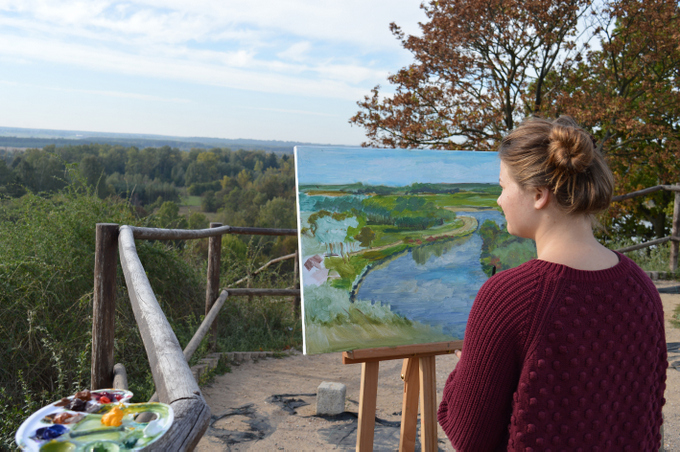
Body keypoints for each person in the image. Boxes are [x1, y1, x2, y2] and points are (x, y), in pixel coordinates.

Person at [437, 116, 667, 451]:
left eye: (503, 187)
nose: (499, 201)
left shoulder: (509, 296)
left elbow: (469, 436)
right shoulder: (641, 287)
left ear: (539, 194)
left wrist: (463, 373)